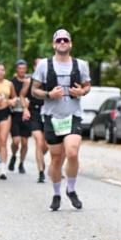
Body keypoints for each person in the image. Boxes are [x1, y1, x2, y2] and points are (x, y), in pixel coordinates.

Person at [31, 29, 92, 210]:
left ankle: (71, 189)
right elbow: (35, 90)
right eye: (59, 40)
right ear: (54, 44)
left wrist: (81, 91)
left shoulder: (80, 65)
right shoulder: (43, 65)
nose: (62, 42)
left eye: (66, 40)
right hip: (52, 117)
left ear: (70, 43)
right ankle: (57, 193)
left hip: (73, 115)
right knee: (56, 158)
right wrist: (49, 94)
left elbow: (87, 85)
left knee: (72, 152)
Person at [26, 57, 49, 183]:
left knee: (47, 144)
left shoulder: (51, 80)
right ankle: (41, 171)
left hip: (48, 113)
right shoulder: (29, 81)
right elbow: (22, 96)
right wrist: (25, 108)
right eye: (38, 65)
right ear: (34, 68)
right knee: (39, 141)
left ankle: (40, 157)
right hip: (34, 112)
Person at [8, 59, 31, 174]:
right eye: (19, 68)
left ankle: (21, 163)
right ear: (16, 69)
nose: (22, 70)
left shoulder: (29, 82)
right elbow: (8, 97)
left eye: (23, 68)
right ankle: (13, 155)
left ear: (26, 69)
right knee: (16, 141)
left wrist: (29, 103)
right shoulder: (11, 82)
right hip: (15, 115)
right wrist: (13, 101)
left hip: (26, 115)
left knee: (25, 142)